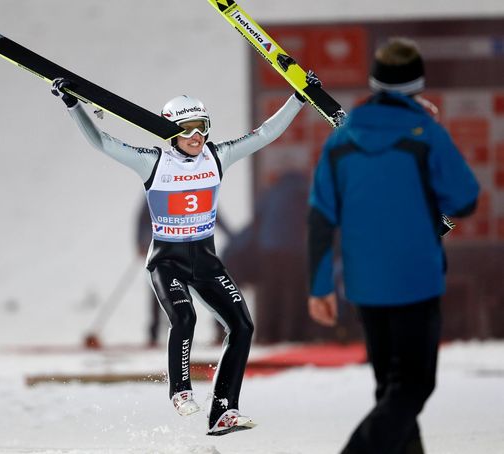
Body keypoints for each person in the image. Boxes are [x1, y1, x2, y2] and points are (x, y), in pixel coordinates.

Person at [51, 72, 318, 435]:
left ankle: (223, 410)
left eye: (202, 127)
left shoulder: (217, 155)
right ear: (169, 130)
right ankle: (180, 391)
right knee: (185, 318)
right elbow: (101, 141)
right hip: (167, 261)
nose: (197, 137)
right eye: (188, 129)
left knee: (241, 325)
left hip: (205, 259)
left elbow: (266, 133)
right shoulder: (153, 162)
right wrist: (73, 105)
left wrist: (299, 97)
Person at [307, 37, 480, 453]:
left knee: (391, 387)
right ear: (419, 83)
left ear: (374, 81)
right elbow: (465, 199)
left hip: (364, 284)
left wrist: (319, 288)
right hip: (416, 279)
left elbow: (319, 216)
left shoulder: (341, 141)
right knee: (413, 385)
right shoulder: (427, 134)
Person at [136, 199, 232, 347]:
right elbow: (143, 219)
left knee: (210, 288)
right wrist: (142, 241)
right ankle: (154, 334)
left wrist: (232, 237)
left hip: (194, 248)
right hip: (166, 250)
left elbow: (213, 213)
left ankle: (220, 329)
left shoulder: (199, 185)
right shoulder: (159, 186)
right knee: (161, 290)